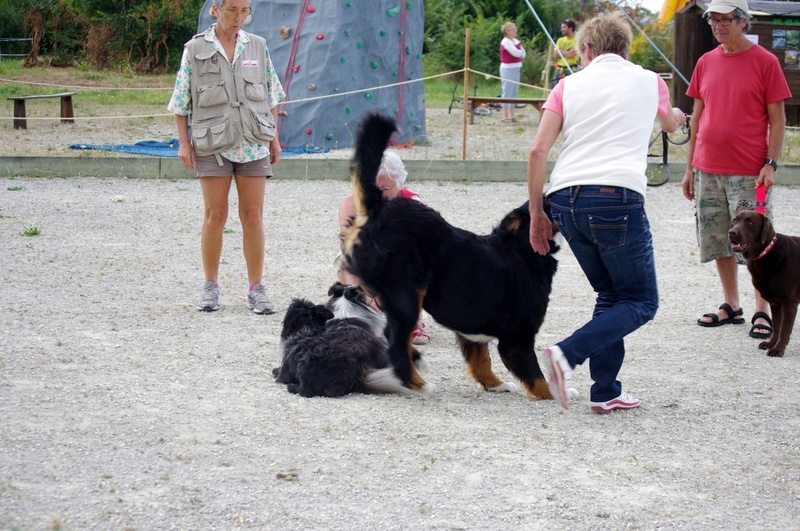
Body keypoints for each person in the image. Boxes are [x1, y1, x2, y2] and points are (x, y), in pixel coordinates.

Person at [527, 12, 686, 412]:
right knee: (642, 301)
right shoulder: (650, 81)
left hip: (564, 199)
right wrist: (678, 119)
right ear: (625, 48)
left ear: (588, 49)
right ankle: (567, 353)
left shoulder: (567, 85)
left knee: (612, 294)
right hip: (616, 197)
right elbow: (671, 124)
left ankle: (606, 390)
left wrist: (536, 215)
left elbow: (537, 151)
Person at [682, 0, 791, 339]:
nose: (718, 26)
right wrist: (689, 169)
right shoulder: (705, 61)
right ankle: (732, 304)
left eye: (725, 19)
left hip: (751, 173)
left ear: (744, 22)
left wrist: (770, 164)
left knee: (757, 241)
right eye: (713, 20)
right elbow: (696, 118)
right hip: (707, 169)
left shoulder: (766, 62)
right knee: (718, 240)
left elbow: (778, 119)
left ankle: (763, 309)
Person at [168, 0, 285, 314]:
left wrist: (274, 138)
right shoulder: (194, 49)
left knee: (253, 216)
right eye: (232, 9)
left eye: (244, 10)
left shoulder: (258, 47)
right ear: (215, 10)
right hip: (212, 144)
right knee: (215, 216)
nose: (238, 17)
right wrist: (184, 143)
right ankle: (210, 287)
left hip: (254, 143)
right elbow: (181, 101)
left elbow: (272, 95)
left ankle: (256, 289)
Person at [337, 150, 431, 345]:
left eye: (385, 189)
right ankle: (359, 310)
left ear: (399, 184)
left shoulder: (412, 204)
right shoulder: (350, 203)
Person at [499, 21, 526, 123]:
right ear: (508, 31)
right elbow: (516, 53)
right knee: (507, 91)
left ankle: (512, 114)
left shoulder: (515, 41)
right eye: (513, 29)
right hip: (507, 69)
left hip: (516, 67)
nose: (516, 31)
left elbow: (523, 53)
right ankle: (505, 115)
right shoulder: (505, 42)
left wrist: (521, 53)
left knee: (514, 91)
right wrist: (520, 53)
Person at [551, 19, 579, 88]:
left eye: (564, 27)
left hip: (571, 69)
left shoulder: (578, 40)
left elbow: (571, 54)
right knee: (554, 88)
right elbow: (555, 55)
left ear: (570, 28)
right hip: (559, 69)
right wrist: (567, 52)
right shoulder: (560, 40)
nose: (561, 29)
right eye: (561, 27)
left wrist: (560, 51)